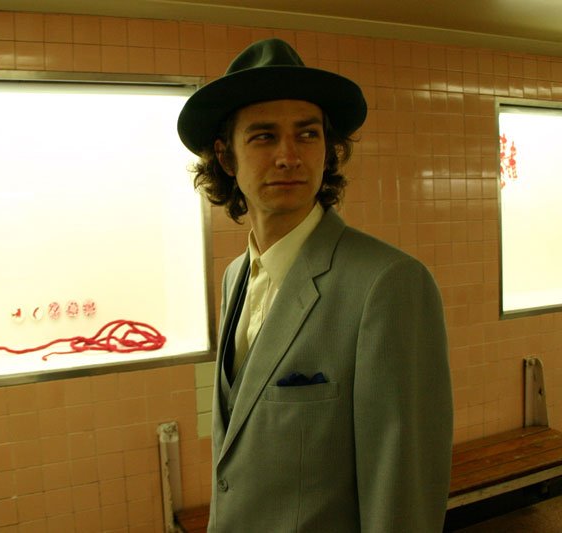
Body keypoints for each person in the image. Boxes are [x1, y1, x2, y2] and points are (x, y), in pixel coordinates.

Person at [177, 38, 453, 532]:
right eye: (264, 136)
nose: (289, 156)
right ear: (226, 157)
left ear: (328, 150)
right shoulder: (236, 277)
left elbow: (402, 491)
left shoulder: (387, 284)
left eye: (307, 134)